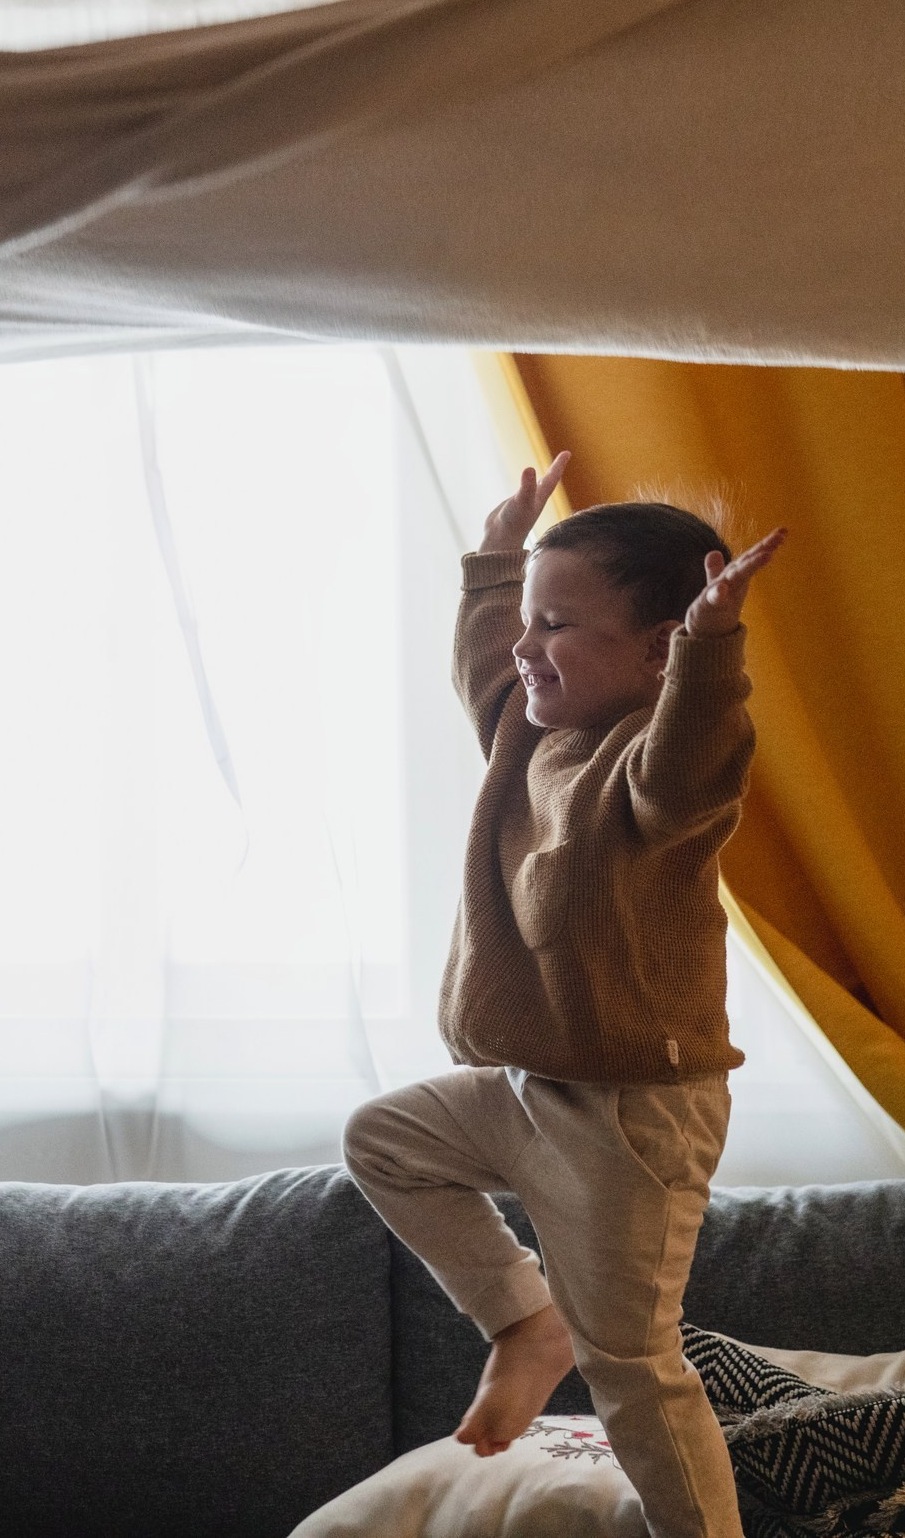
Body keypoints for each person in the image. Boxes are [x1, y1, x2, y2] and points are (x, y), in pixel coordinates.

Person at [343, 451, 783, 1538]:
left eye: (557, 626)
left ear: (651, 651)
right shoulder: (524, 733)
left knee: (632, 1367)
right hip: (533, 1090)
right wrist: (497, 564)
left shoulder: (651, 767)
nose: (526, 649)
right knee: (385, 1138)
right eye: (527, 622)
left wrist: (712, 643)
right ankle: (524, 1325)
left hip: (633, 1118)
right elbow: (483, 670)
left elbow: (694, 757)